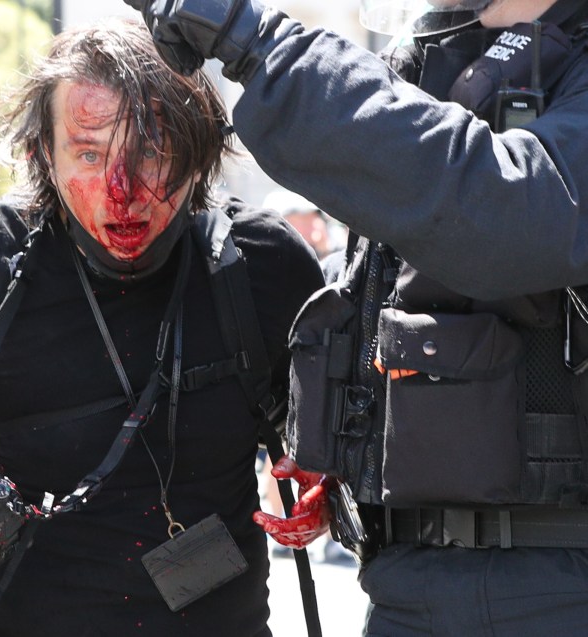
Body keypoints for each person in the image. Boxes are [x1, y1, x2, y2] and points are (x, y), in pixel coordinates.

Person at [0, 18, 322, 637]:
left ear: (199, 150)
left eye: (152, 151)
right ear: (42, 155)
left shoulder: (263, 265)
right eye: (89, 152)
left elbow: (343, 441)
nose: (122, 190)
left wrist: (329, 476)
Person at [130, 0, 588, 634]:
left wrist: (257, 40)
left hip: (554, 584)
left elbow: (509, 211)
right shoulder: (439, 55)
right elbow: (395, 294)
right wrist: (359, 455)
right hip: (404, 578)